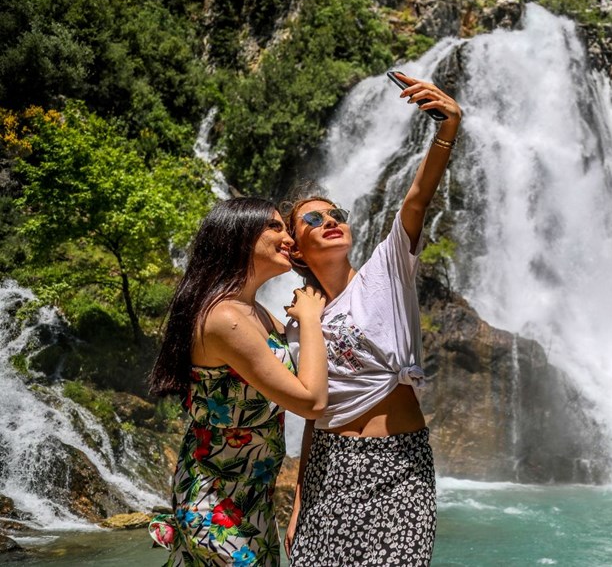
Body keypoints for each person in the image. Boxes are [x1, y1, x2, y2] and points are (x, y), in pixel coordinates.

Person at [283, 73, 461, 566]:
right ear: (295, 250)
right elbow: (313, 413)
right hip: (329, 471)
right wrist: (299, 500)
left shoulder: (388, 268)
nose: (330, 221)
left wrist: (448, 128)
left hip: (399, 467)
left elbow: (416, 200)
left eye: (334, 213)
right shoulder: (302, 319)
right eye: (313, 221)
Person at [146, 197, 329, 566]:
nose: (289, 238)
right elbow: (311, 400)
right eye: (275, 227)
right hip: (216, 507)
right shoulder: (225, 317)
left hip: (251, 501)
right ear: (239, 236)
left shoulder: (255, 313)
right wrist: (309, 318)